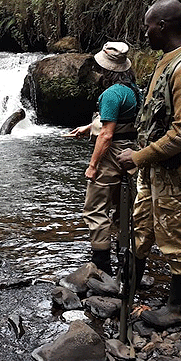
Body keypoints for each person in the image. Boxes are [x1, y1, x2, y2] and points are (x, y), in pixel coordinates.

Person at [117, 0, 181, 329]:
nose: (145, 31)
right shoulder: (166, 61)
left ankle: (180, 307)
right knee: (141, 226)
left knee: (174, 235)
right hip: (153, 169)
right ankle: (128, 284)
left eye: (149, 25)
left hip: (173, 171)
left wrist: (138, 156)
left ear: (164, 26)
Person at [68, 41, 141, 275]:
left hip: (112, 154)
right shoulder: (132, 89)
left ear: (105, 69)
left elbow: (107, 134)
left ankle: (101, 264)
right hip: (131, 150)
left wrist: (92, 166)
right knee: (123, 207)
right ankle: (126, 259)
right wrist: (89, 127)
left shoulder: (111, 93)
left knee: (95, 208)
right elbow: (120, 122)